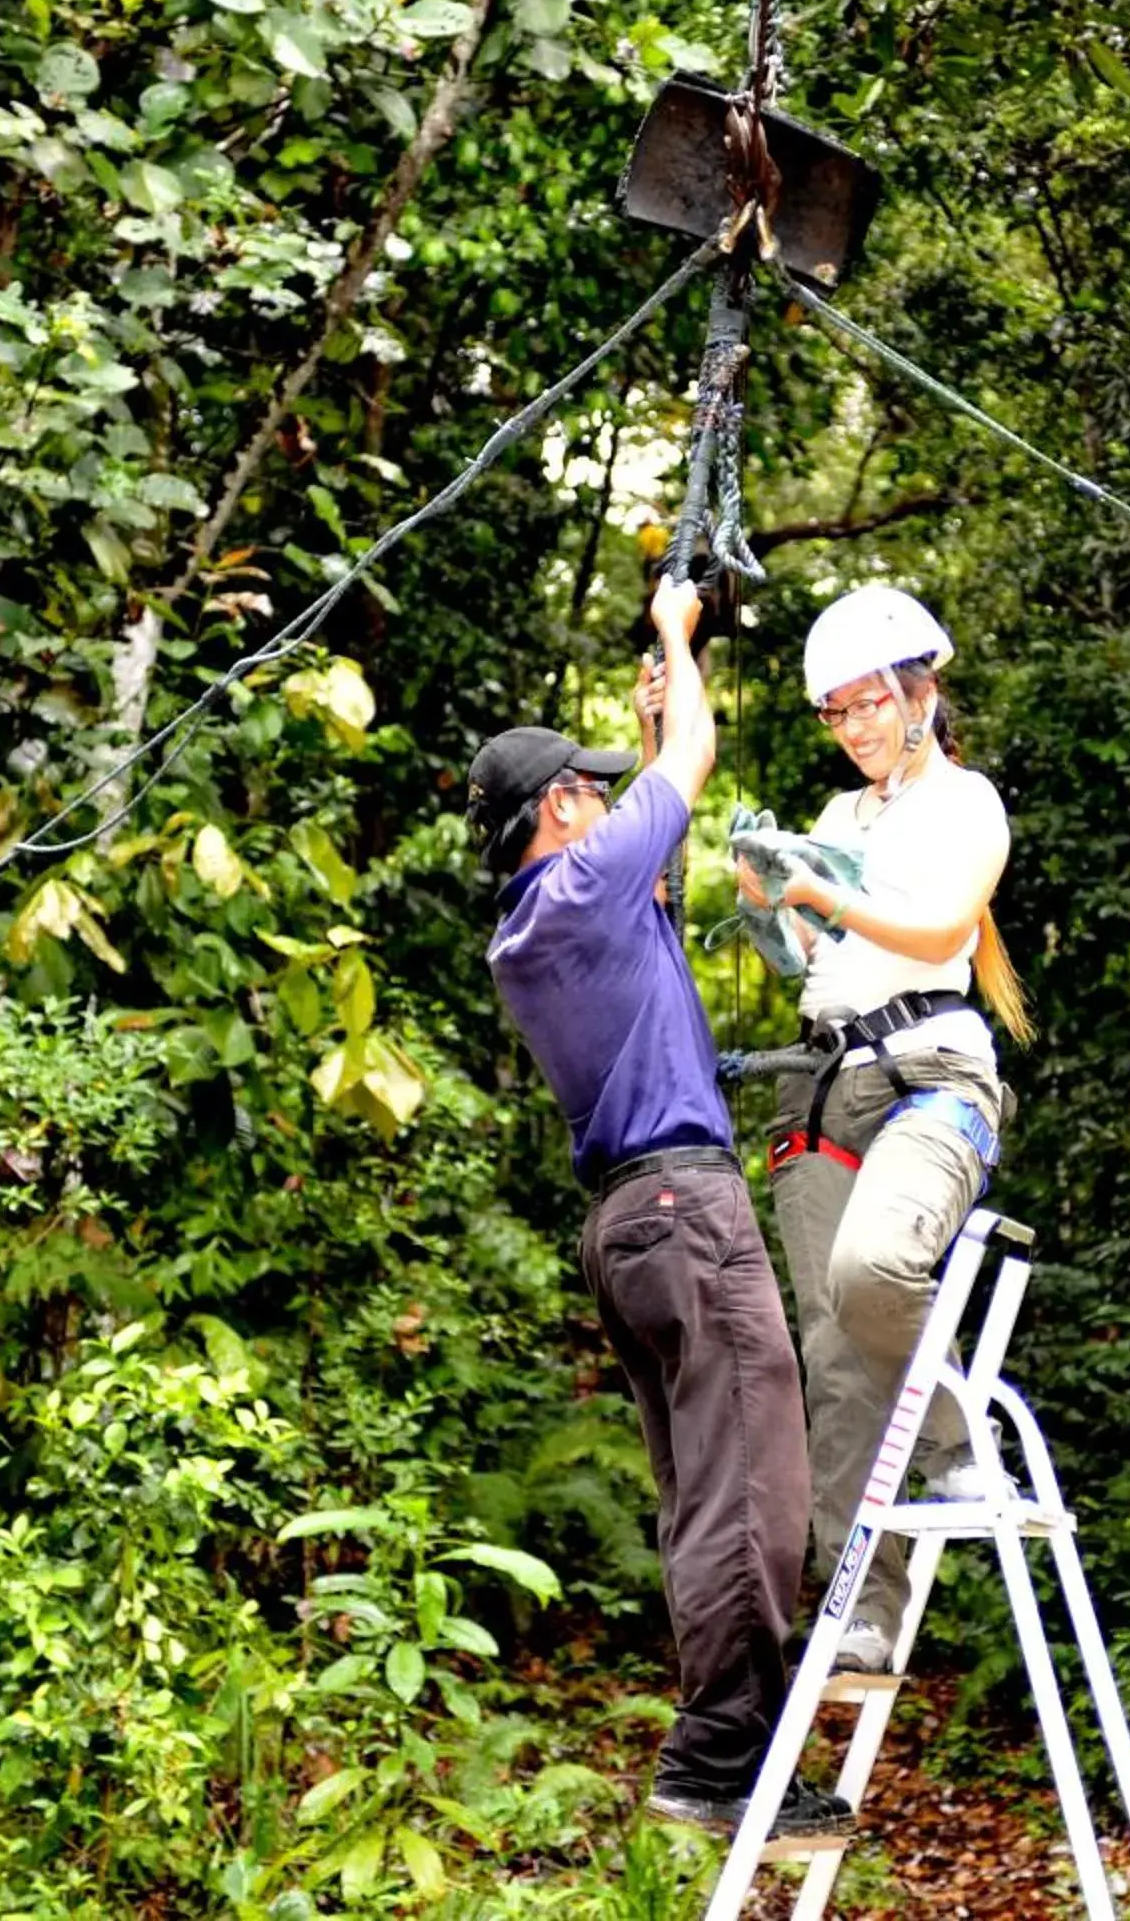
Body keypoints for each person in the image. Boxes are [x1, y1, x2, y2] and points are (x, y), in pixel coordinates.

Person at [466, 573, 848, 1839]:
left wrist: (646, 734)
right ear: (558, 809)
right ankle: (719, 1748)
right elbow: (693, 755)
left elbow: (659, 850)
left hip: (629, 1225)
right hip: (686, 1209)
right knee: (759, 1486)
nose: (605, 798)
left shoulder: (539, 925)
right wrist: (678, 642)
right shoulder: (577, 890)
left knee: (707, 1491)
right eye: (590, 787)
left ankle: (727, 1747)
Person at [742, 584, 1033, 1674]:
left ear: (923, 693)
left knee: (874, 1272)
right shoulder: (837, 817)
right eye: (838, 712)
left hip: (932, 1075)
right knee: (831, 1345)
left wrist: (825, 893)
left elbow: (943, 925)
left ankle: (962, 1445)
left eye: (871, 703)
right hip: (824, 1080)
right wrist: (773, 904)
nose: (857, 726)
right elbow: (816, 968)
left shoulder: (966, 803)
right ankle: (863, 1599)